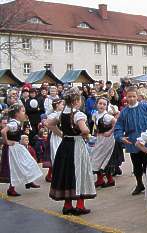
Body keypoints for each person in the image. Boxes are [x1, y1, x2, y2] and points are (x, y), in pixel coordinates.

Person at [48, 87, 96, 215]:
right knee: (80, 172)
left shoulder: (62, 113)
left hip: (65, 146)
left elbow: (49, 124)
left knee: (68, 173)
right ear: (76, 100)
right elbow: (85, 130)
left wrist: (62, 134)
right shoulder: (78, 114)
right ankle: (80, 205)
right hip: (77, 145)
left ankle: (67, 204)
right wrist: (85, 135)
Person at [114, 86, 147, 195]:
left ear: (137, 97)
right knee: (136, 166)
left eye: (133, 96)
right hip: (132, 143)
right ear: (126, 97)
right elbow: (118, 126)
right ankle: (139, 184)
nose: (131, 99)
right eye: (129, 97)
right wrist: (120, 137)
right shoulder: (124, 112)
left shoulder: (146, 107)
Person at [0, 104, 42, 196]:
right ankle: (12, 189)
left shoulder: (16, 122)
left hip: (17, 147)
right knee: (15, 168)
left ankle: (29, 180)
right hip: (13, 149)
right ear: (16, 114)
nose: (24, 113)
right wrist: (7, 141)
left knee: (28, 162)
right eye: (22, 111)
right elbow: (3, 131)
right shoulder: (13, 123)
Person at [91, 97, 118, 188]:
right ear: (97, 104)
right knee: (96, 158)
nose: (102, 105)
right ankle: (100, 179)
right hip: (100, 138)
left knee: (104, 158)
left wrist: (110, 131)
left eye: (104, 104)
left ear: (106, 106)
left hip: (107, 140)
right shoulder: (96, 114)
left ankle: (110, 180)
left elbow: (116, 122)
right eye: (100, 103)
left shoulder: (107, 116)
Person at [45, 99, 64, 182]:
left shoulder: (63, 114)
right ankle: (54, 174)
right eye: (62, 104)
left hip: (62, 136)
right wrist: (59, 133)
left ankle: (53, 174)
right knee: (56, 154)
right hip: (56, 137)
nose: (64, 106)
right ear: (57, 105)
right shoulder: (52, 115)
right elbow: (47, 124)